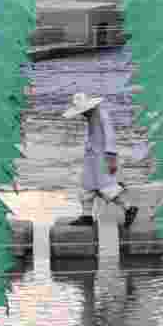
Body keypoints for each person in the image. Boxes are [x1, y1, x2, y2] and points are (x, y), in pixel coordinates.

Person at [62, 92, 139, 228]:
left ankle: (128, 208)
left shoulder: (102, 115)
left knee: (106, 188)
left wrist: (111, 156)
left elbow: (110, 137)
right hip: (92, 158)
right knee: (87, 187)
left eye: (83, 111)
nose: (82, 114)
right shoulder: (92, 117)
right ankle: (86, 216)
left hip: (103, 158)